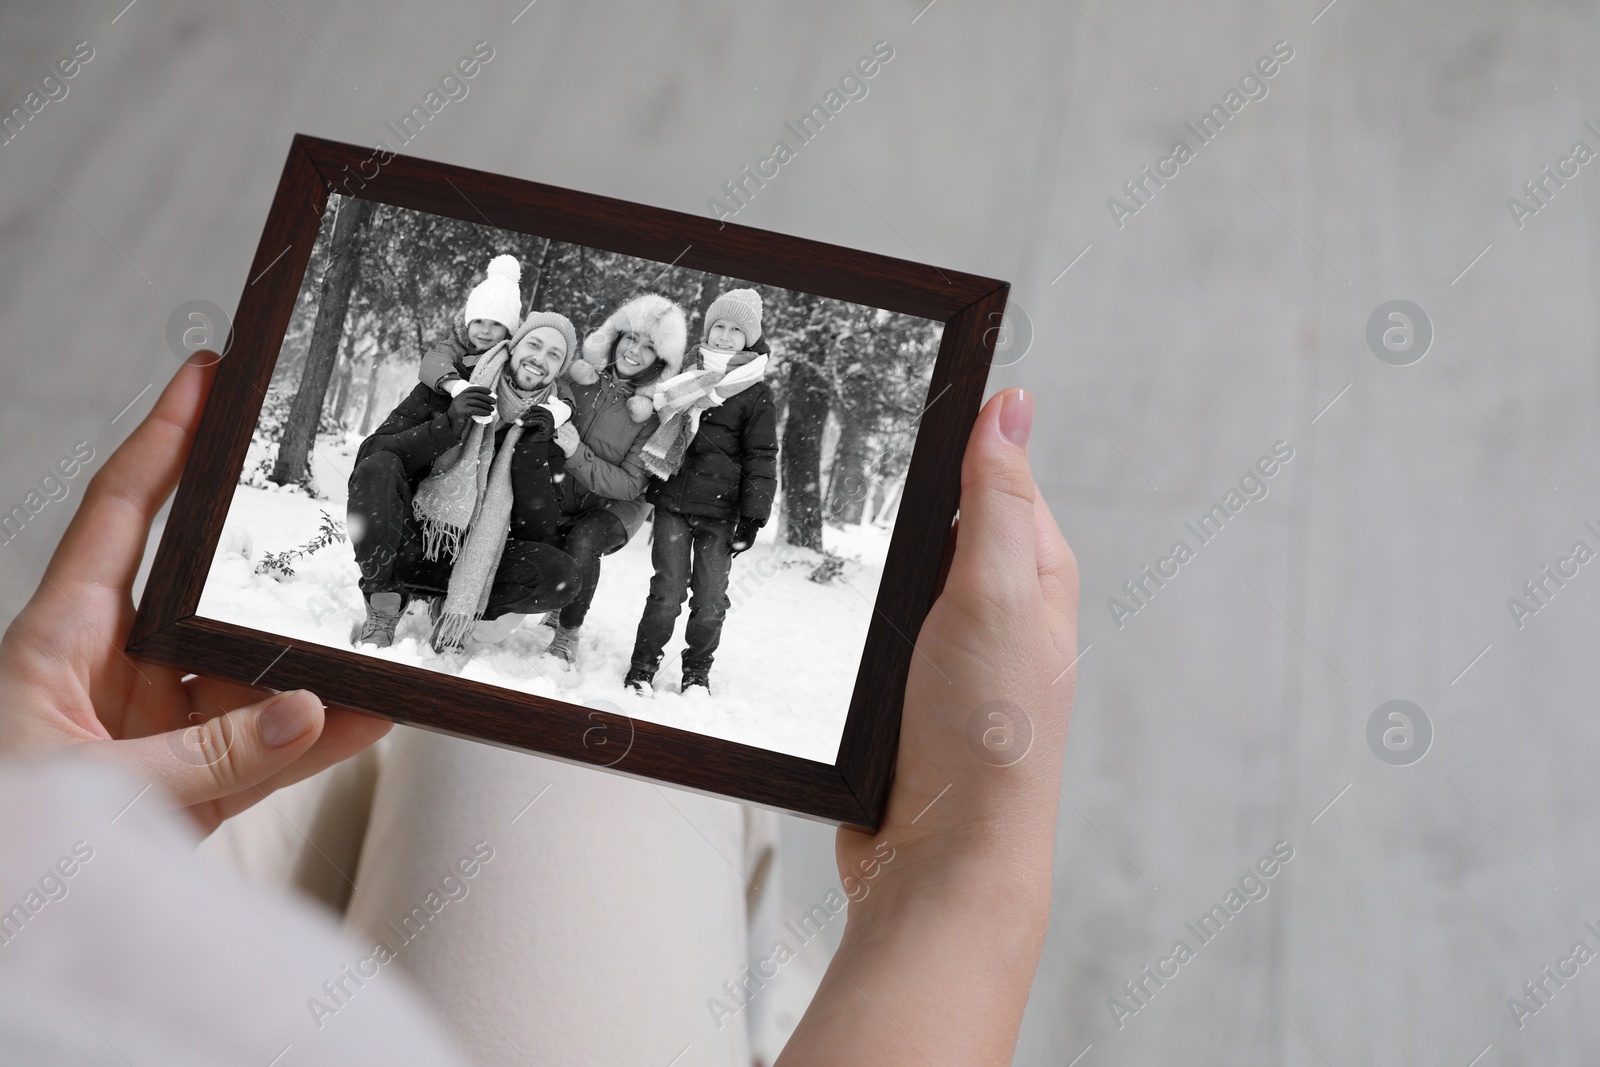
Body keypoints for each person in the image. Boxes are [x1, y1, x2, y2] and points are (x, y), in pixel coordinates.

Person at [0, 353, 1077, 1065]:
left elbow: (628, 486)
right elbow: (410, 467)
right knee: (570, 766)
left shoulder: (668, 410)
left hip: (58, 904)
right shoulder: (466, 405)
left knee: (424, 745)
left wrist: (39, 821)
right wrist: (960, 880)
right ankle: (756, 982)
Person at [347, 310, 582, 654]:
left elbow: (539, 528)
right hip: (412, 541)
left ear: (558, 370)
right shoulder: (452, 385)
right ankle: (385, 600)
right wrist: (449, 423)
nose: (540, 359)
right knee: (377, 468)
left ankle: (455, 606)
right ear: (513, 346)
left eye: (554, 355)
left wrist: (531, 451)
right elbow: (373, 453)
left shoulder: (548, 423)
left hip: (476, 558)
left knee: (561, 575)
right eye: (534, 344)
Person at [626, 288, 778, 696]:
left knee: (711, 600)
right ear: (708, 330)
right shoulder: (682, 376)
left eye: (735, 330)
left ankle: (696, 672)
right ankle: (642, 666)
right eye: (718, 327)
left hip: (722, 514)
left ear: (750, 339)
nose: (725, 336)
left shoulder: (755, 392)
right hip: (674, 502)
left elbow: (761, 456)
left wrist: (753, 516)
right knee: (667, 591)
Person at [543, 293, 686, 665]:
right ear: (614, 338)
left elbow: (631, 484)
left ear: (662, 361)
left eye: (649, 346)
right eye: (630, 338)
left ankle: (567, 633)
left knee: (584, 539)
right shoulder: (576, 380)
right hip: (565, 490)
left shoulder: (655, 414)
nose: (634, 350)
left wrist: (575, 453)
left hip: (616, 507)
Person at [417, 253, 523, 397]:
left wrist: (564, 406)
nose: (485, 331)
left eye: (496, 324)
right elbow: (432, 362)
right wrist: (456, 386)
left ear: (508, 331)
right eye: (479, 321)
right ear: (467, 323)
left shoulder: (516, 356)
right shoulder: (455, 346)